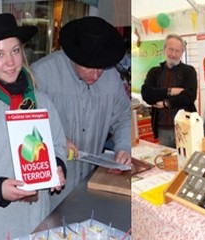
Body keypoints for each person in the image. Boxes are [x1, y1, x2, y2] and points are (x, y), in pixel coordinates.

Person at [0, 13, 66, 239]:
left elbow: (58, 144)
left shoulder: (42, 101)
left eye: (15, 50)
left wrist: (57, 166)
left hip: (37, 219)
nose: (10, 62)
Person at [31, 16, 130, 209]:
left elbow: (124, 116)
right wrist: (55, 140)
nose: (96, 74)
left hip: (88, 183)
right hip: (49, 190)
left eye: (101, 68)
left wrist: (124, 145)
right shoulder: (42, 74)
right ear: (73, 57)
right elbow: (24, 125)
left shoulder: (111, 78)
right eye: (90, 68)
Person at [141, 34, 197, 148]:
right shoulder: (154, 72)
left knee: (186, 161)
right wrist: (170, 91)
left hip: (185, 128)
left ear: (182, 53)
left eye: (178, 51)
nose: (173, 54)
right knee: (166, 163)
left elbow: (189, 96)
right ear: (164, 49)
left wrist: (166, 103)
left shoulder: (189, 71)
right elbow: (146, 94)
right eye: (170, 49)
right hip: (163, 130)